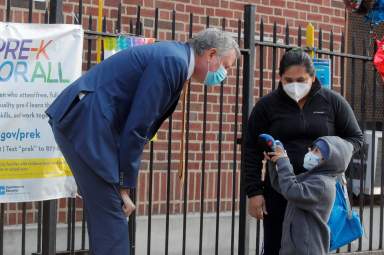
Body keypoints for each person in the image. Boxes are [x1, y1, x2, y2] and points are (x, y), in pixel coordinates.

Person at [45, 28, 240, 255]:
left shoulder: (174, 58)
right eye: (226, 66)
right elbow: (138, 125)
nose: (225, 74)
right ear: (211, 54)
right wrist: (124, 184)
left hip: (84, 123)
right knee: (112, 219)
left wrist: (121, 181)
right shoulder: (173, 62)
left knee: (107, 216)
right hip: (86, 125)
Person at [244, 48, 363, 255]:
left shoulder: (332, 102)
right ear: (280, 77)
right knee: (276, 246)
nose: (295, 86)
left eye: (301, 79)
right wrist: (254, 193)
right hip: (279, 191)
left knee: (312, 247)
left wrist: (330, 155)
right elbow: (251, 150)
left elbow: (355, 138)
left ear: (313, 77)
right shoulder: (266, 106)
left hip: (318, 194)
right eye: (288, 80)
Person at [266, 136, 353, 255]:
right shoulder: (311, 177)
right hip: (293, 248)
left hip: (307, 250)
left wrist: (283, 160)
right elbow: (282, 185)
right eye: (312, 149)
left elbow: (291, 190)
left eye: (316, 151)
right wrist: (274, 161)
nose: (310, 153)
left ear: (329, 160)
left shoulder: (322, 184)